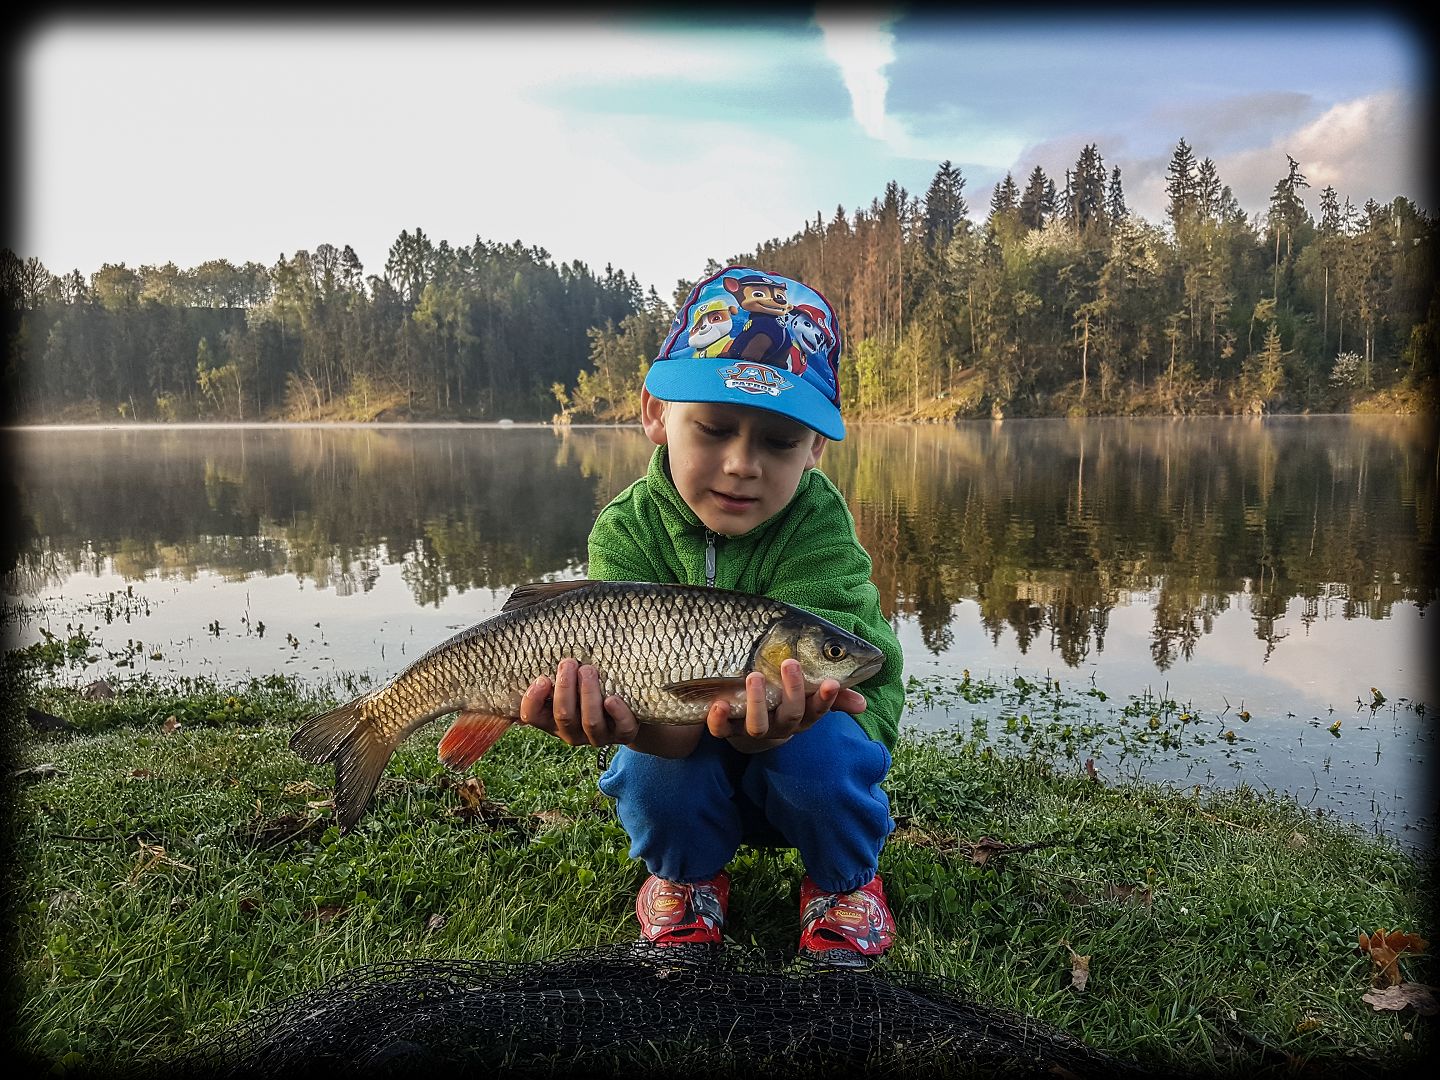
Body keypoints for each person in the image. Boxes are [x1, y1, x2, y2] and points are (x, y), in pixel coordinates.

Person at [518, 266, 905, 967]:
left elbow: (834, 663)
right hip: (678, 734)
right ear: (656, 414)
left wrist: (781, 722)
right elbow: (648, 725)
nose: (741, 465)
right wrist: (621, 724)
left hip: (808, 736)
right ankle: (688, 877)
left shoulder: (819, 528)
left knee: (821, 756)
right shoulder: (625, 530)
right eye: (717, 428)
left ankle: (843, 882)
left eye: (779, 443)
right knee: (649, 772)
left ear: (815, 450)